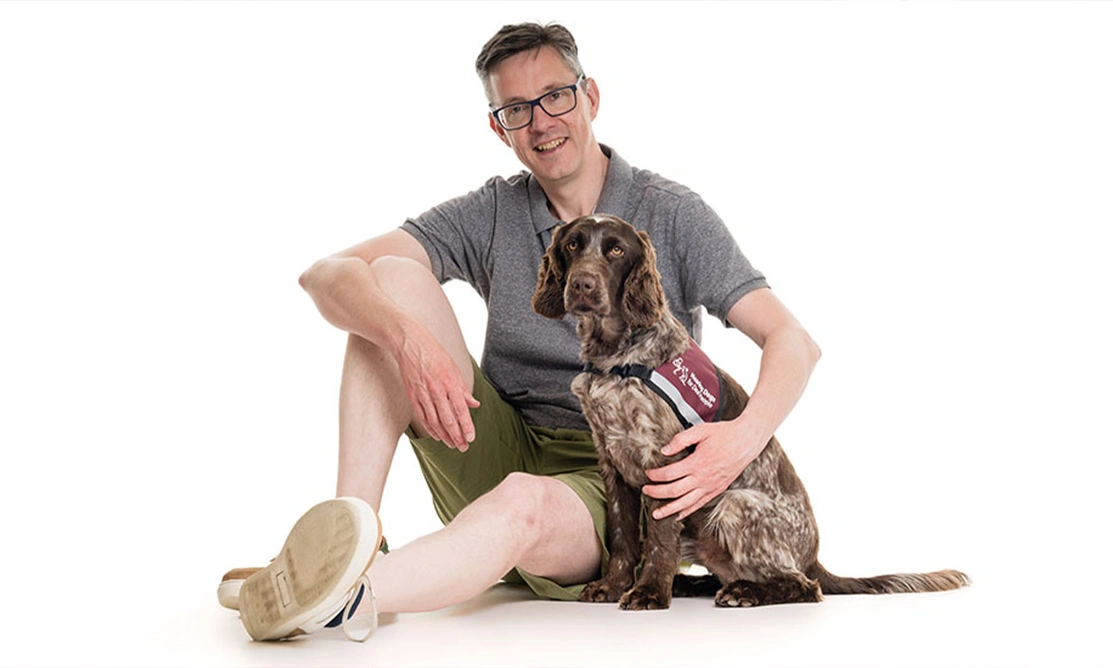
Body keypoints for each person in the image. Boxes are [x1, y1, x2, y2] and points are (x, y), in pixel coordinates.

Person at [223, 21, 822, 642]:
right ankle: (350, 537)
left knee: (524, 502)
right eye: (516, 109)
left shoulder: (670, 213)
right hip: (498, 436)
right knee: (391, 280)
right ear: (498, 126)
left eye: (555, 96)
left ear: (590, 98)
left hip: (597, 488)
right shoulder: (492, 211)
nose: (540, 122)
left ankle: (345, 595)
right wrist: (405, 338)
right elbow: (326, 273)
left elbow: (793, 341)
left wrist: (740, 440)